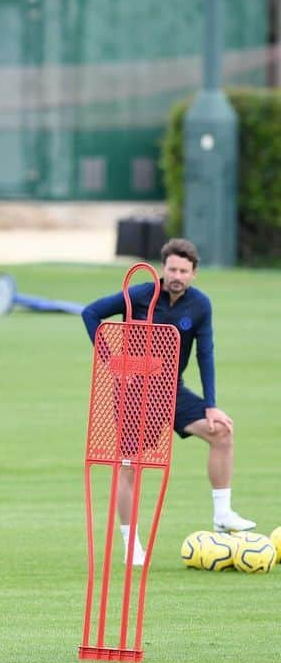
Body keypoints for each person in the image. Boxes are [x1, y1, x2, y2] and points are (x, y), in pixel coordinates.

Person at [81, 238, 254, 565]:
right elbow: (90, 313)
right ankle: (131, 544)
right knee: (129, 467)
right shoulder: (140, 295)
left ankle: (222, 514)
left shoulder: (201, 306)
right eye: (172, 269)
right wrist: (110, 361)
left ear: (194, 273)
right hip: (132, 392)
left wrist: (211, 404)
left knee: (222, 432)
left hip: (170, 391)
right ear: (163, 268)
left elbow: (206, 354)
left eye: (184, 271)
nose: (177, 275)